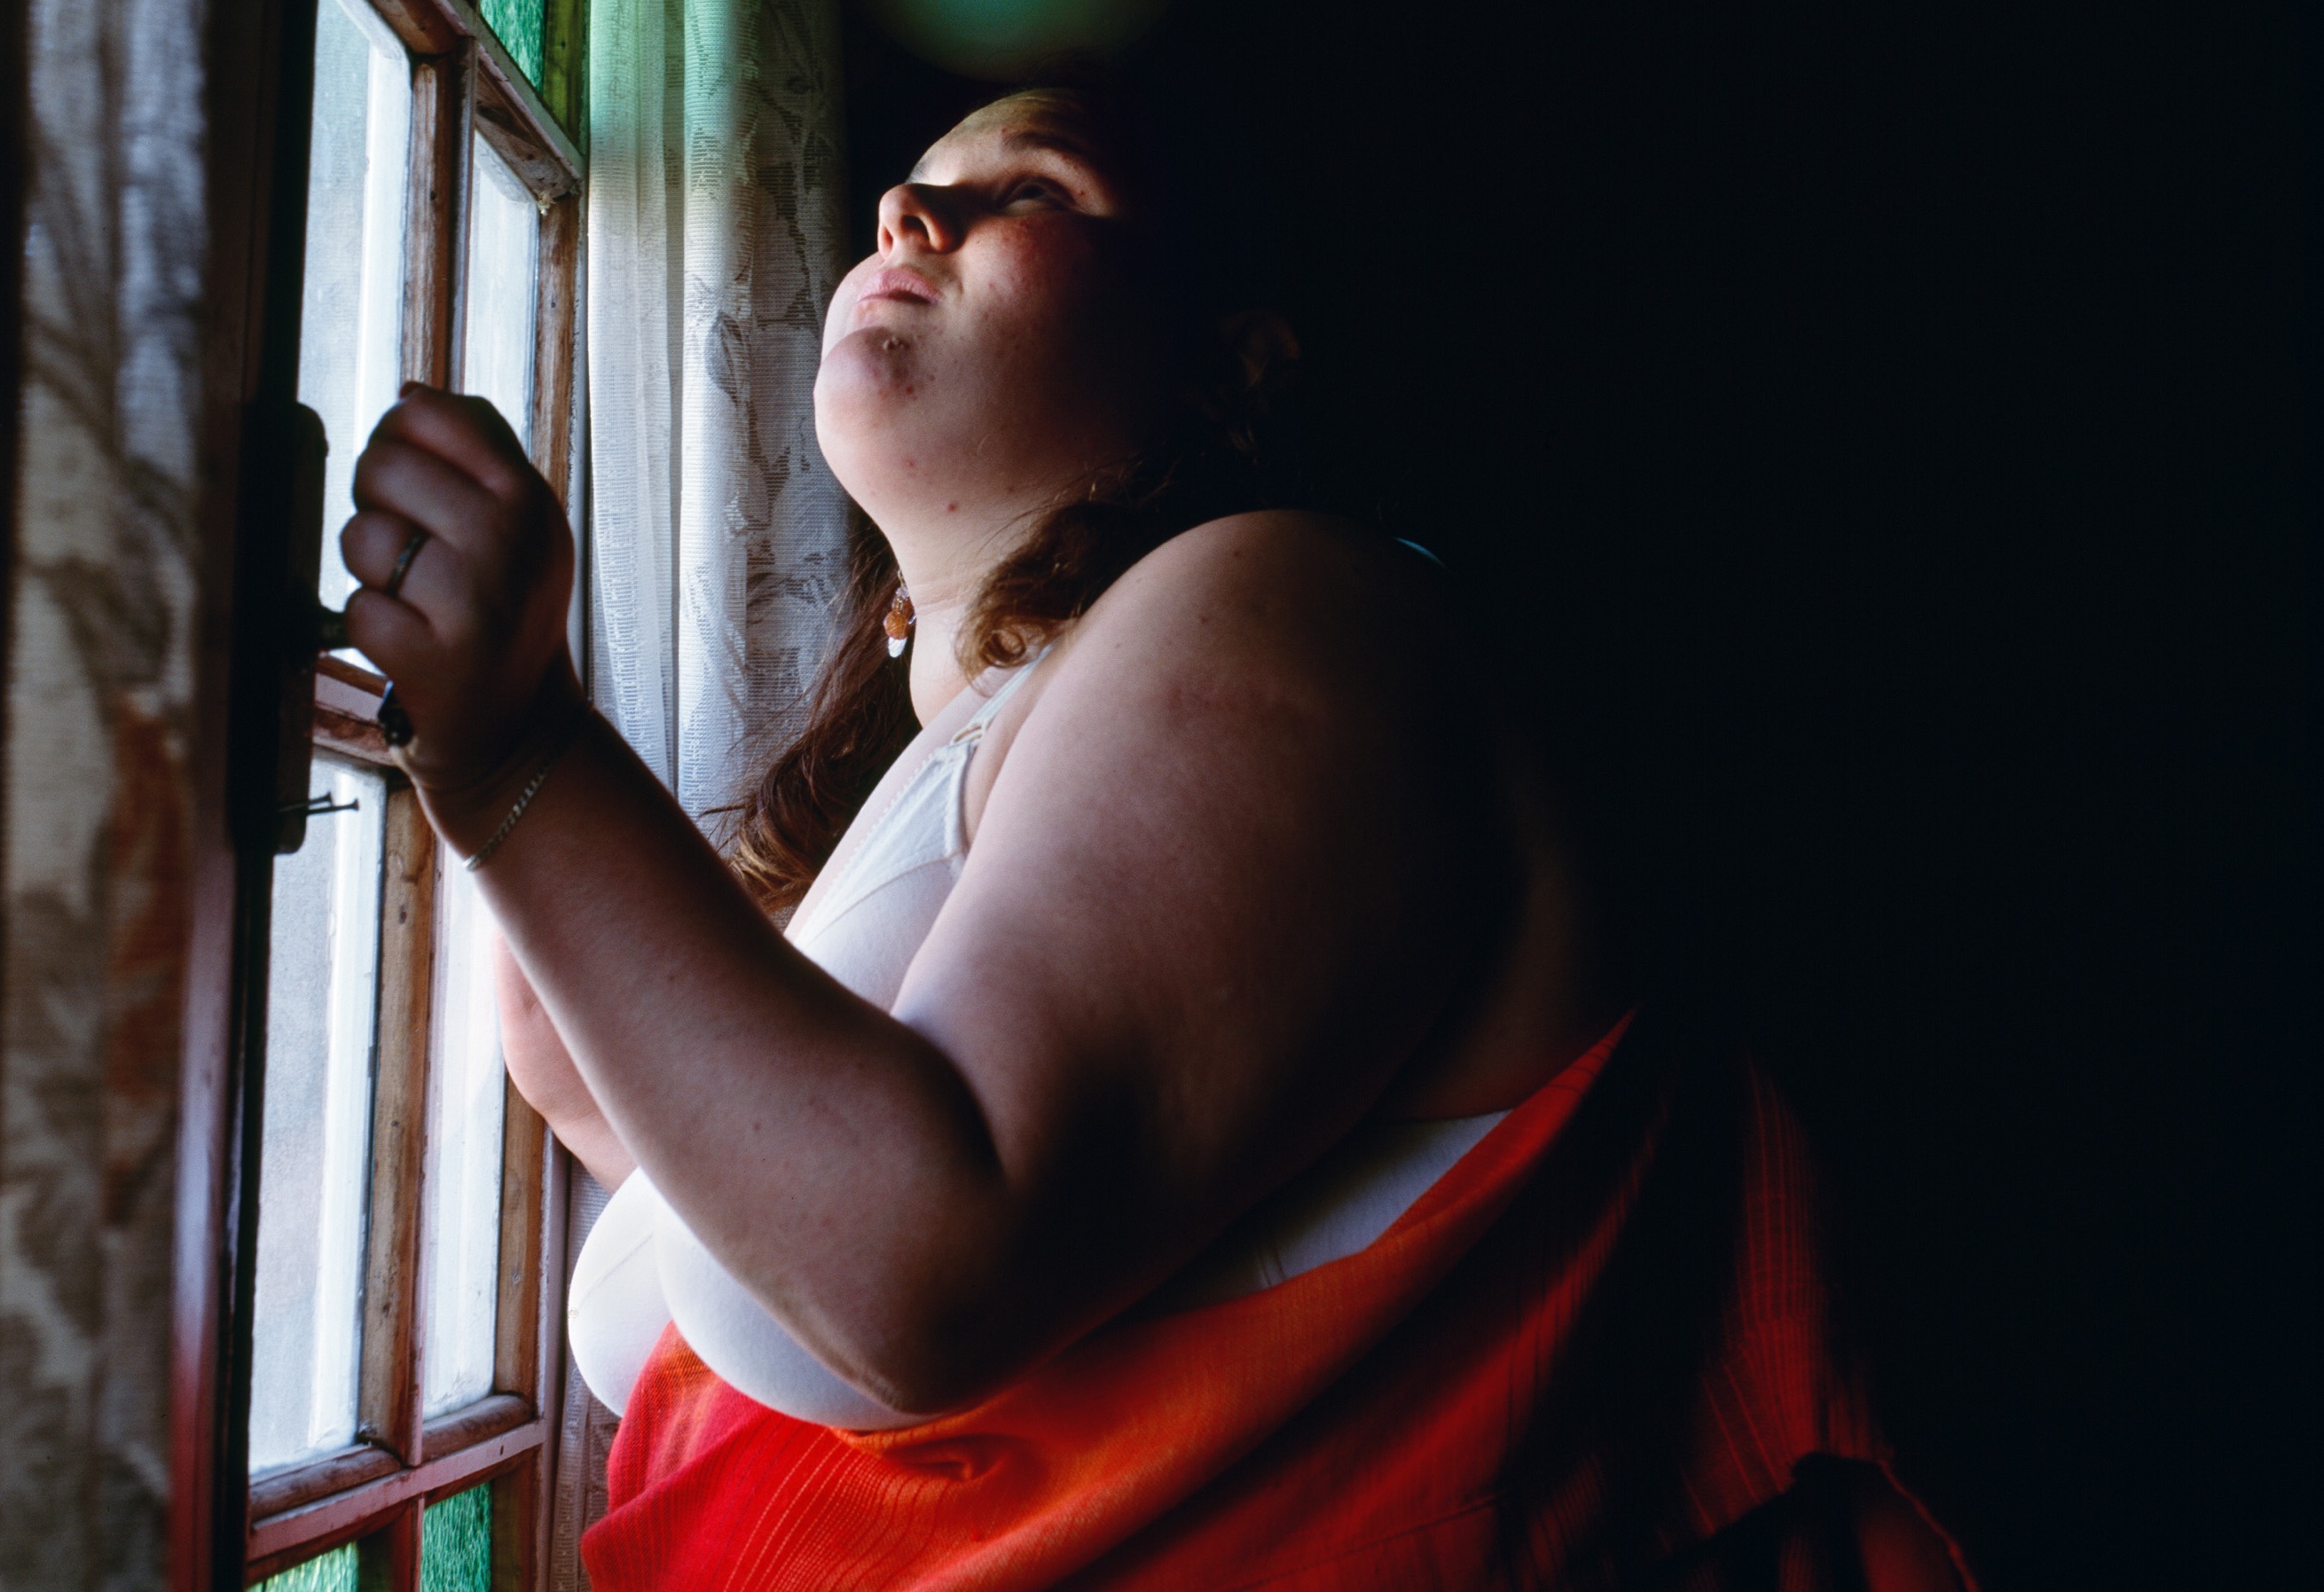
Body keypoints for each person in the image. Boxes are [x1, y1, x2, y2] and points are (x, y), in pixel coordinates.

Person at [342, 82, 1971, 1590]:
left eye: (1030, 188)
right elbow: (743, 1185)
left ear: (1237, 360)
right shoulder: (977, 763)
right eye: (911, 188)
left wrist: (528, 759)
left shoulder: (1302, 604)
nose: (908, 209)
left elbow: (909, 1266)